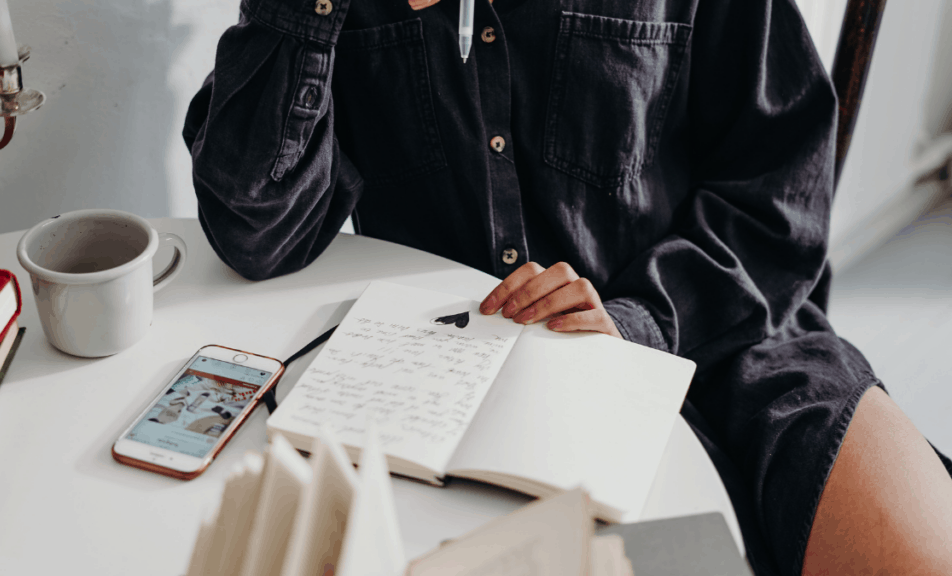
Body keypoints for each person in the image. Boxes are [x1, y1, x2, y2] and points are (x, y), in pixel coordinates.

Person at [182, 0, 952, 573]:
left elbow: (782, 196)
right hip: (465, 397)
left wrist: (635, 321)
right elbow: (259, 233)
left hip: (735, 344)